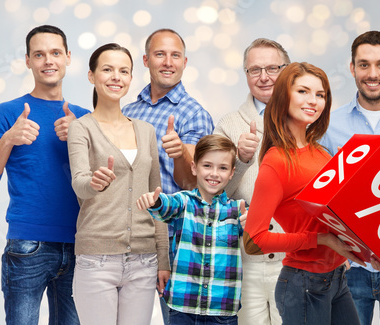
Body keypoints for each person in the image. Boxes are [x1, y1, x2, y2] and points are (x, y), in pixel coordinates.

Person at [0, 24, 89, 325]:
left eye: (55, 53)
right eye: (39, 54)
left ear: (68, 57)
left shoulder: (84, 118)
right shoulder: (9, 112)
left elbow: (102, 186)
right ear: (27, 61)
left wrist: (80, 136)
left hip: (81, 246)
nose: (48, 61)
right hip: (28, 247)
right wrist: (9, 138)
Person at [243, 62, 363, 325]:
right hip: (303, 283)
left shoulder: (321, 153)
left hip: (336, 279)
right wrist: (319, 240)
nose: (314, 101)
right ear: (284, 96)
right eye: (303, 92)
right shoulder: (276, 161)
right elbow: (254, 241)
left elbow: (334, 217)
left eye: (320, 95)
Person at [67, 43, 170, 324]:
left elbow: (157, 200)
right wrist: (94, 183)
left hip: (144, 261)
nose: (116, 77)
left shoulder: (146, 131)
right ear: (91, 76)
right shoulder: (81, 127)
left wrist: (163, 259)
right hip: (96, 260)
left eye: (124, 71)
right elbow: (79, 183)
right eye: (107, 69)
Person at [321, 30, 380, 325]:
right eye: (364, 65)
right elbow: (320, 193)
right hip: (350, 266)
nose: (372, 73)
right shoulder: (328, 126)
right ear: (352, 68)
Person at [123, 28, 214, 324]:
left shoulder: (194, 115)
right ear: (146, 60)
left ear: (185, 62)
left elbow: (195, 184)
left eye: (175, 55)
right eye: (160, 54)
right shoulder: (128, 111)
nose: (168, 62)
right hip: (129, 237)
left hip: (175, 241)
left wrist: (181, 154)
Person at [215, 37, 291, 325]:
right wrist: (241, 162)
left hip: (295, 258)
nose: (264, 77)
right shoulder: (228, 124)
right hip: (248, 260)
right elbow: (214, 193)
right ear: (245, 74)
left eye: (273, 68)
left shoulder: (309, 120)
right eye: (254, 70)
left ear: (287, 70)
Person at [136, 134, 246, 324]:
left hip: (222, 312)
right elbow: (166, 205)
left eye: (223, 168)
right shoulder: (184, 202)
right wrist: (155, 201)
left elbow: (258, 231)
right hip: (183, 310)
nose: (214, 173)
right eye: (207, 165)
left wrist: (251, 223)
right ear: (194, 168)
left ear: (231, 173)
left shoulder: (237, 210)